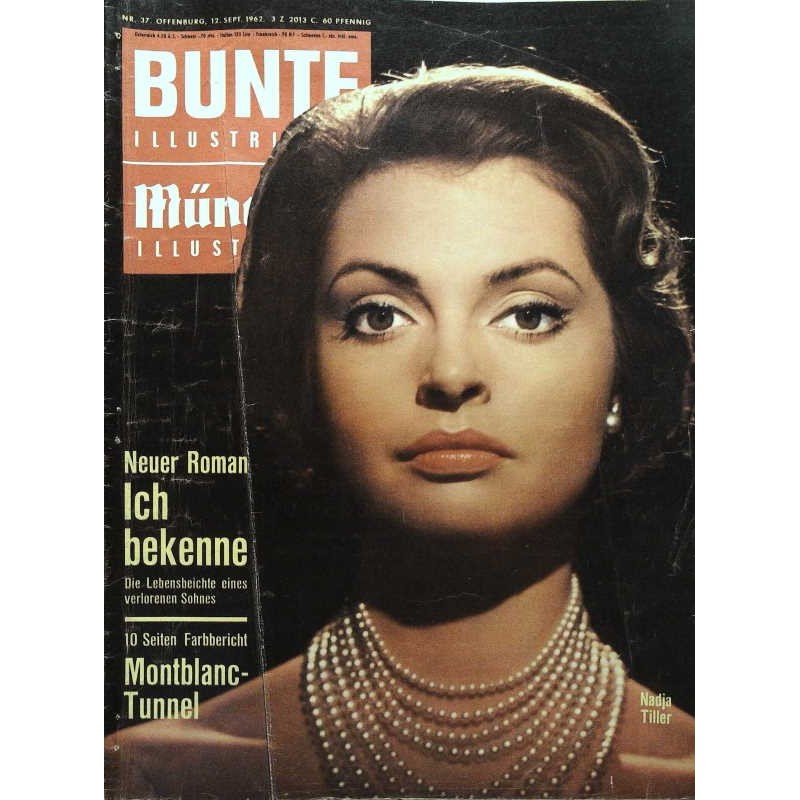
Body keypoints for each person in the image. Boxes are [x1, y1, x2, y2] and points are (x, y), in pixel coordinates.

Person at [106, 64, 694, 799]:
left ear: (625, 364)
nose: (451, 373)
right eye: (378, 315)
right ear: (304, 370)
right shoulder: (148, 779)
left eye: (529, 313)